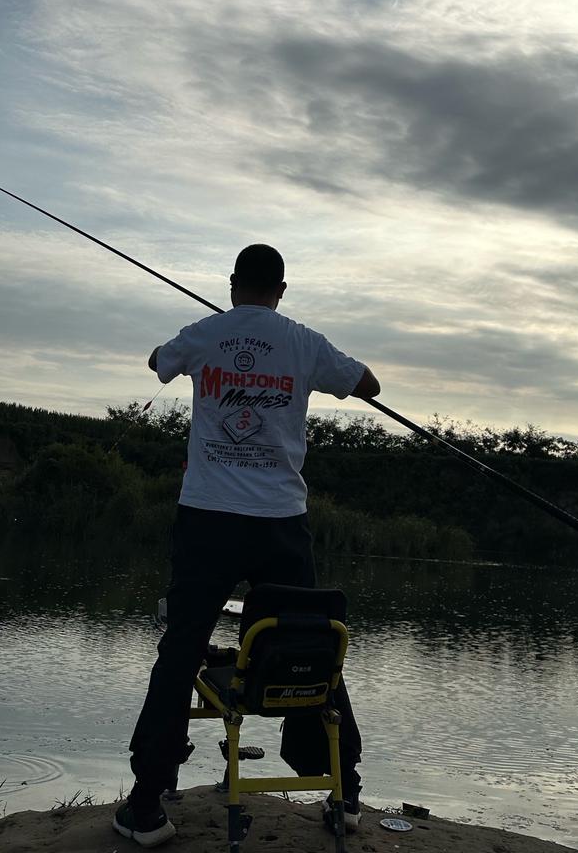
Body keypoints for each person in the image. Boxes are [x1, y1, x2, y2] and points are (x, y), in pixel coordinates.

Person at [113, 243, 380, 848]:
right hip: (282, 523)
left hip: (207, 520)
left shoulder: (205, 334)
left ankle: (148, 804)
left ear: (233, 283)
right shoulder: (305, 342)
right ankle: (347, 793)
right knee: (310, 643)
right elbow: (368, 383)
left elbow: (157, 359)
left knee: (180, 651)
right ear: (282, 289)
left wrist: (204, 348)